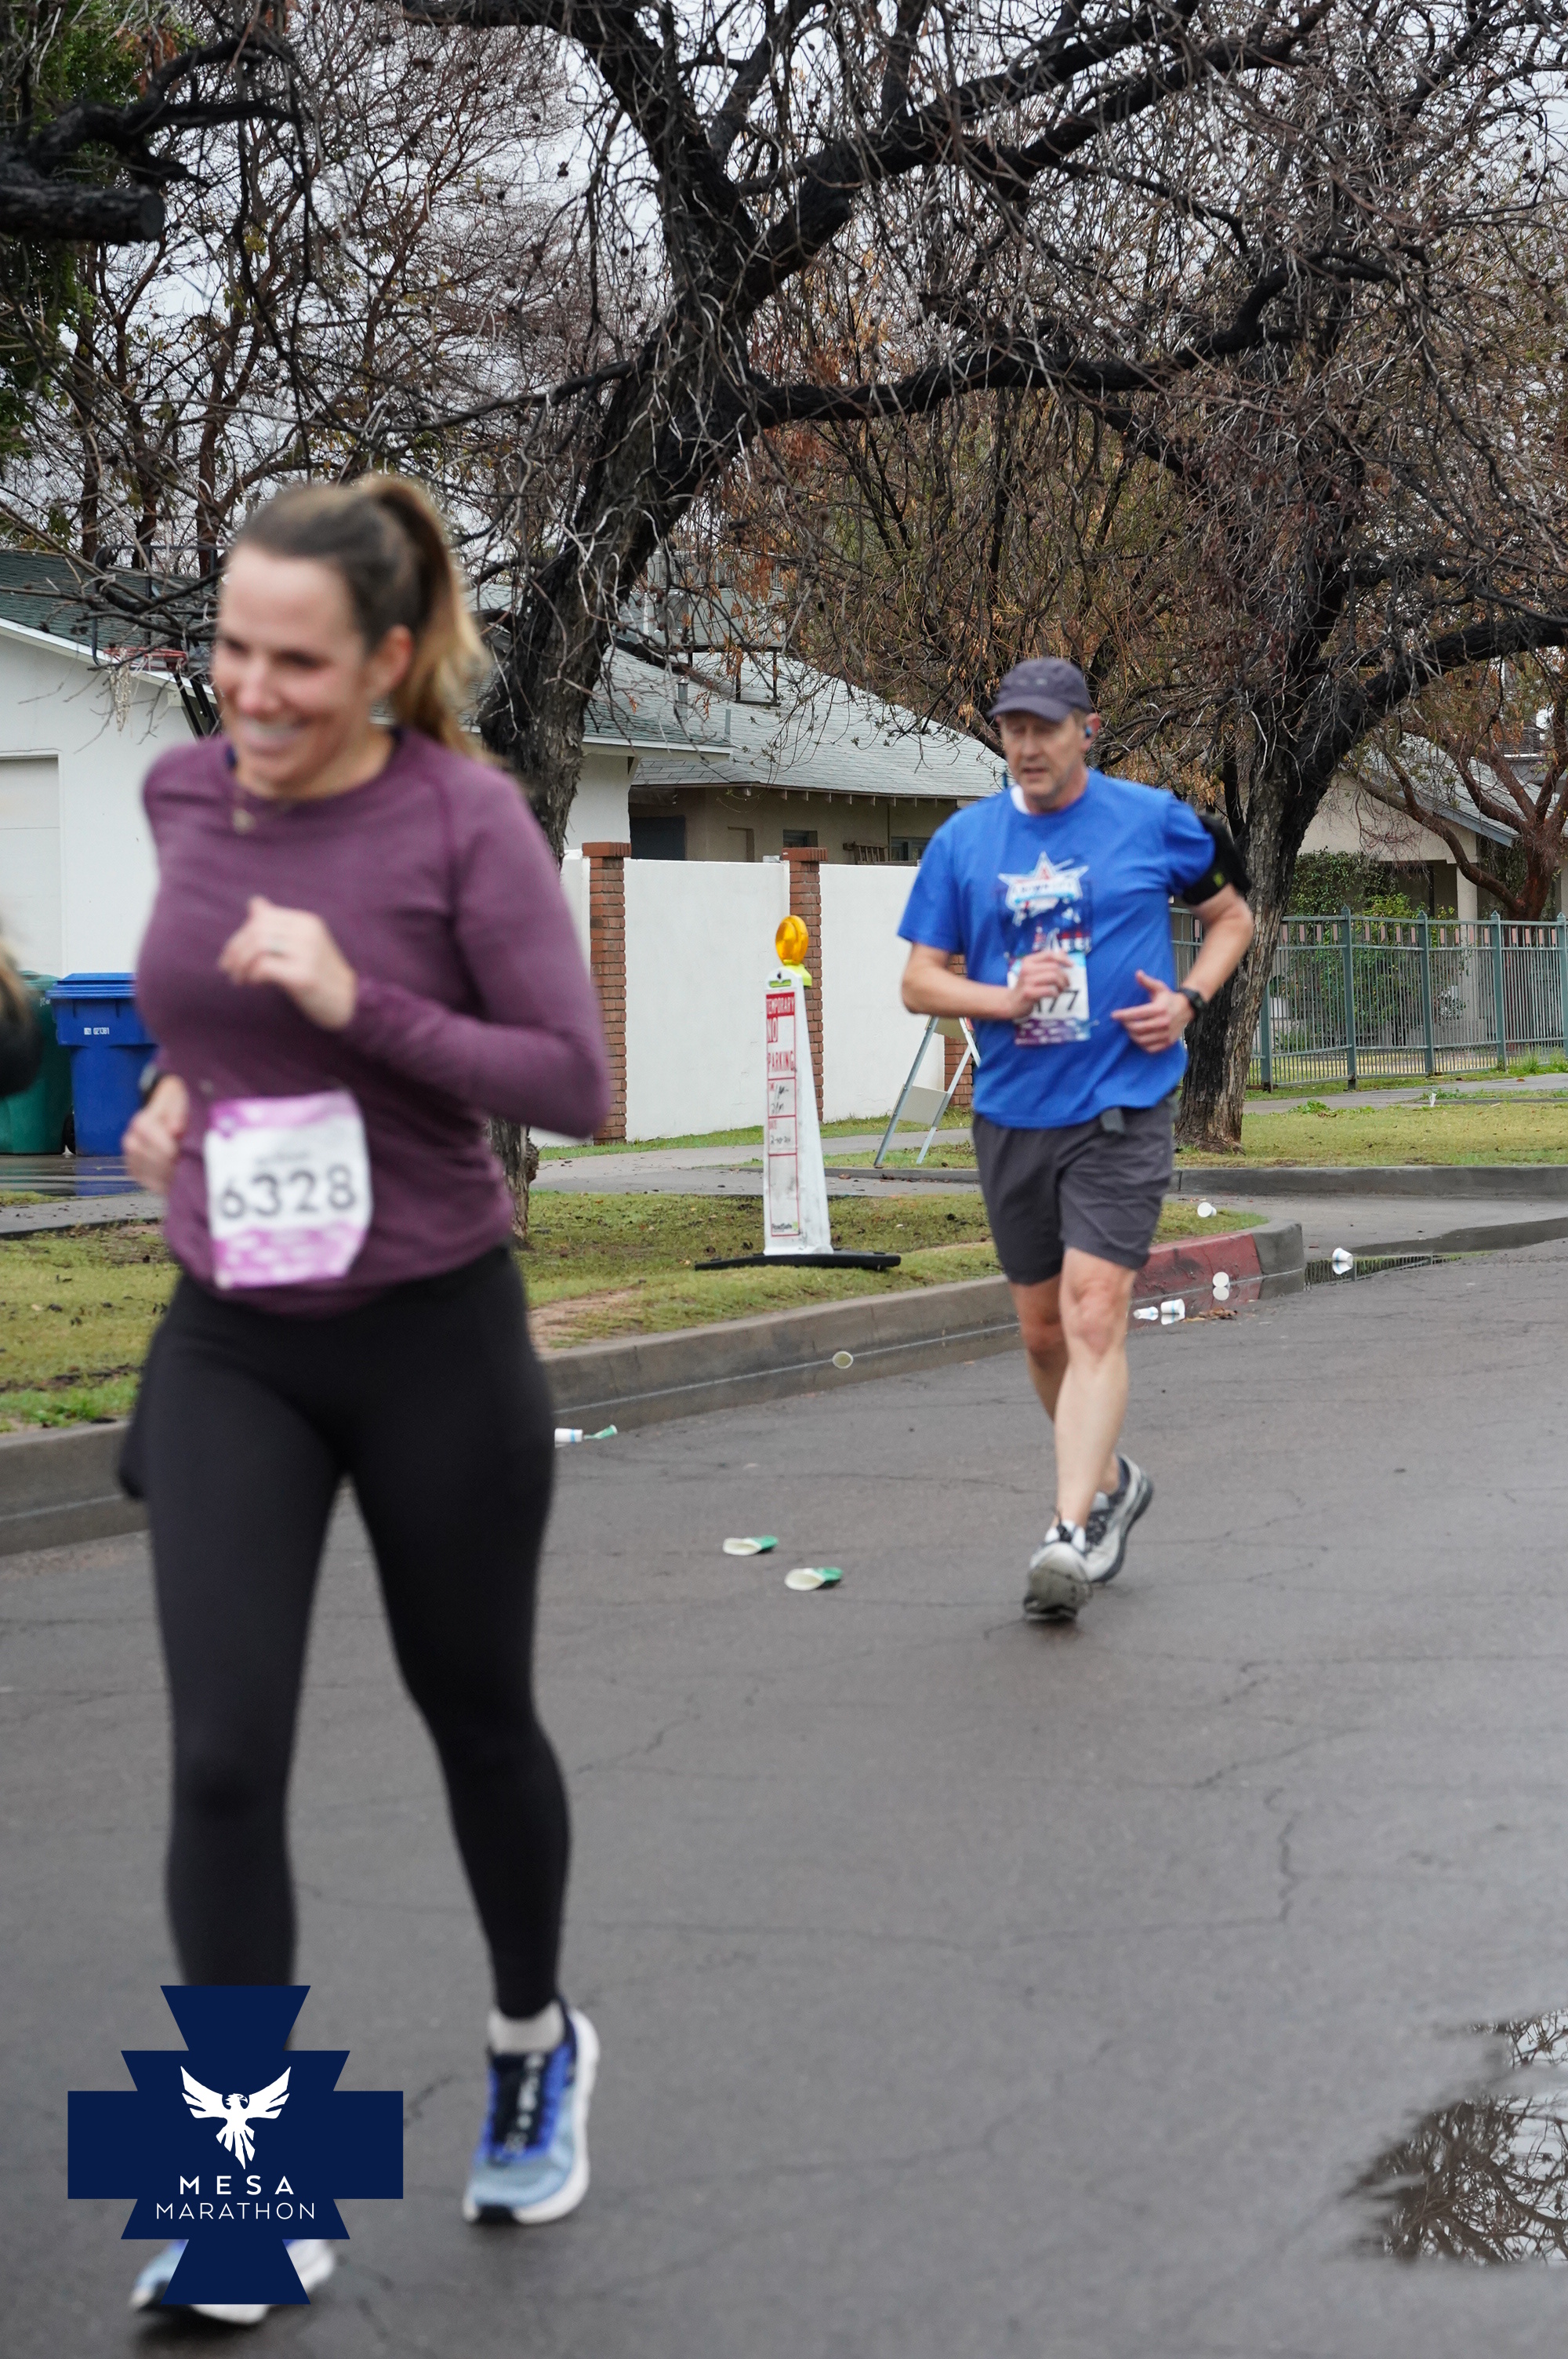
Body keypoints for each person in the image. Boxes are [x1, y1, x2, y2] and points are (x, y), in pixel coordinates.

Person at [117, 477, 611, 2324]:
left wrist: (352, 1001)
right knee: (222, 1752)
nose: (251, 689)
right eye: (232, 648)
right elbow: (201, 1013)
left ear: (390, 662)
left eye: (297, 662)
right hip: (233, 1335)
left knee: (474, 1720)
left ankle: (533, 2038)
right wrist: (178, 1095)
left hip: (429, 1332)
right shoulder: (184, 794)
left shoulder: (461, 820)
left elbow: (571, 1080)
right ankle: (247, 2189)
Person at [898, 656, 1254, 1623]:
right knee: (1042, 1332)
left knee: (1093, 1310)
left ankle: (1068, 1531)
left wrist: (1187, 1000)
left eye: (1044, 727)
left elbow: (1230, 917)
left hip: (1121, 1110)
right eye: (1012, 727)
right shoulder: (964, 842)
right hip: (1013, 1115)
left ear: (1085, 730)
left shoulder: (1153, 820)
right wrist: (1000, 997)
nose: (1026, 745)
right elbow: (919, 981)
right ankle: (1109, 1483)